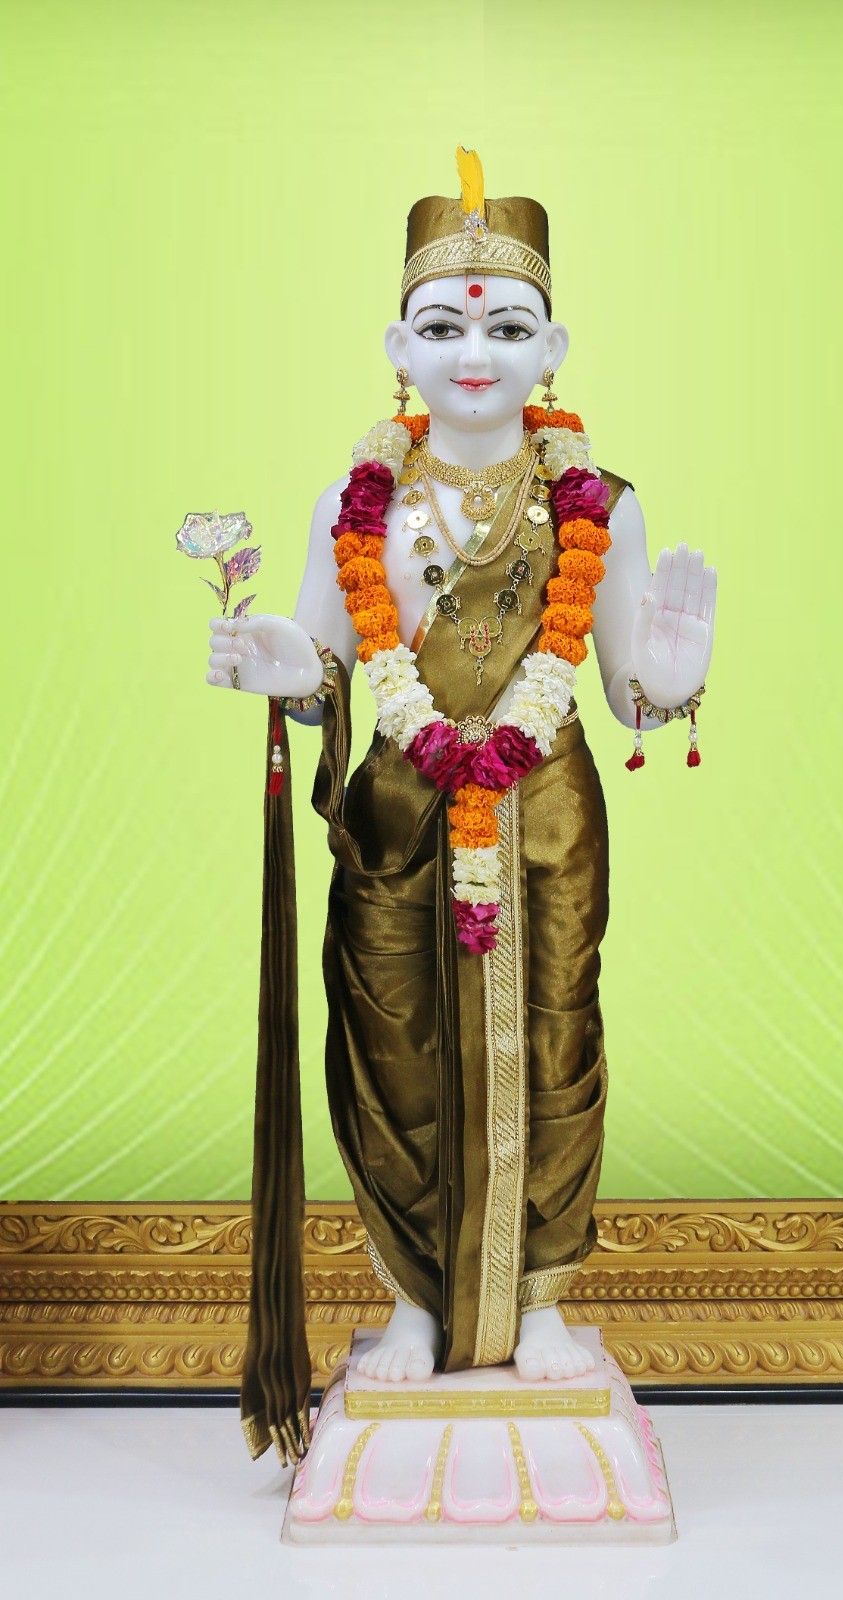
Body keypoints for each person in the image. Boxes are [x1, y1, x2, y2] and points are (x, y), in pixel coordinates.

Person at [205, 149, 716, 1464]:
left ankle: (539, 1301)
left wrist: (672, 676)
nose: (474, 351)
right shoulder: (353, 503)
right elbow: (328, 674)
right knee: (392, 1053)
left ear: (553, 345)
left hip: (542, 812)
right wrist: (280, 669)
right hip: (394, 811)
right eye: (445, 326)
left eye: (504, 326)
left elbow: (626, 689)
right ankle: (414, 1301)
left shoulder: (598, 502)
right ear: (399, 346)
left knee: (552, 1043)